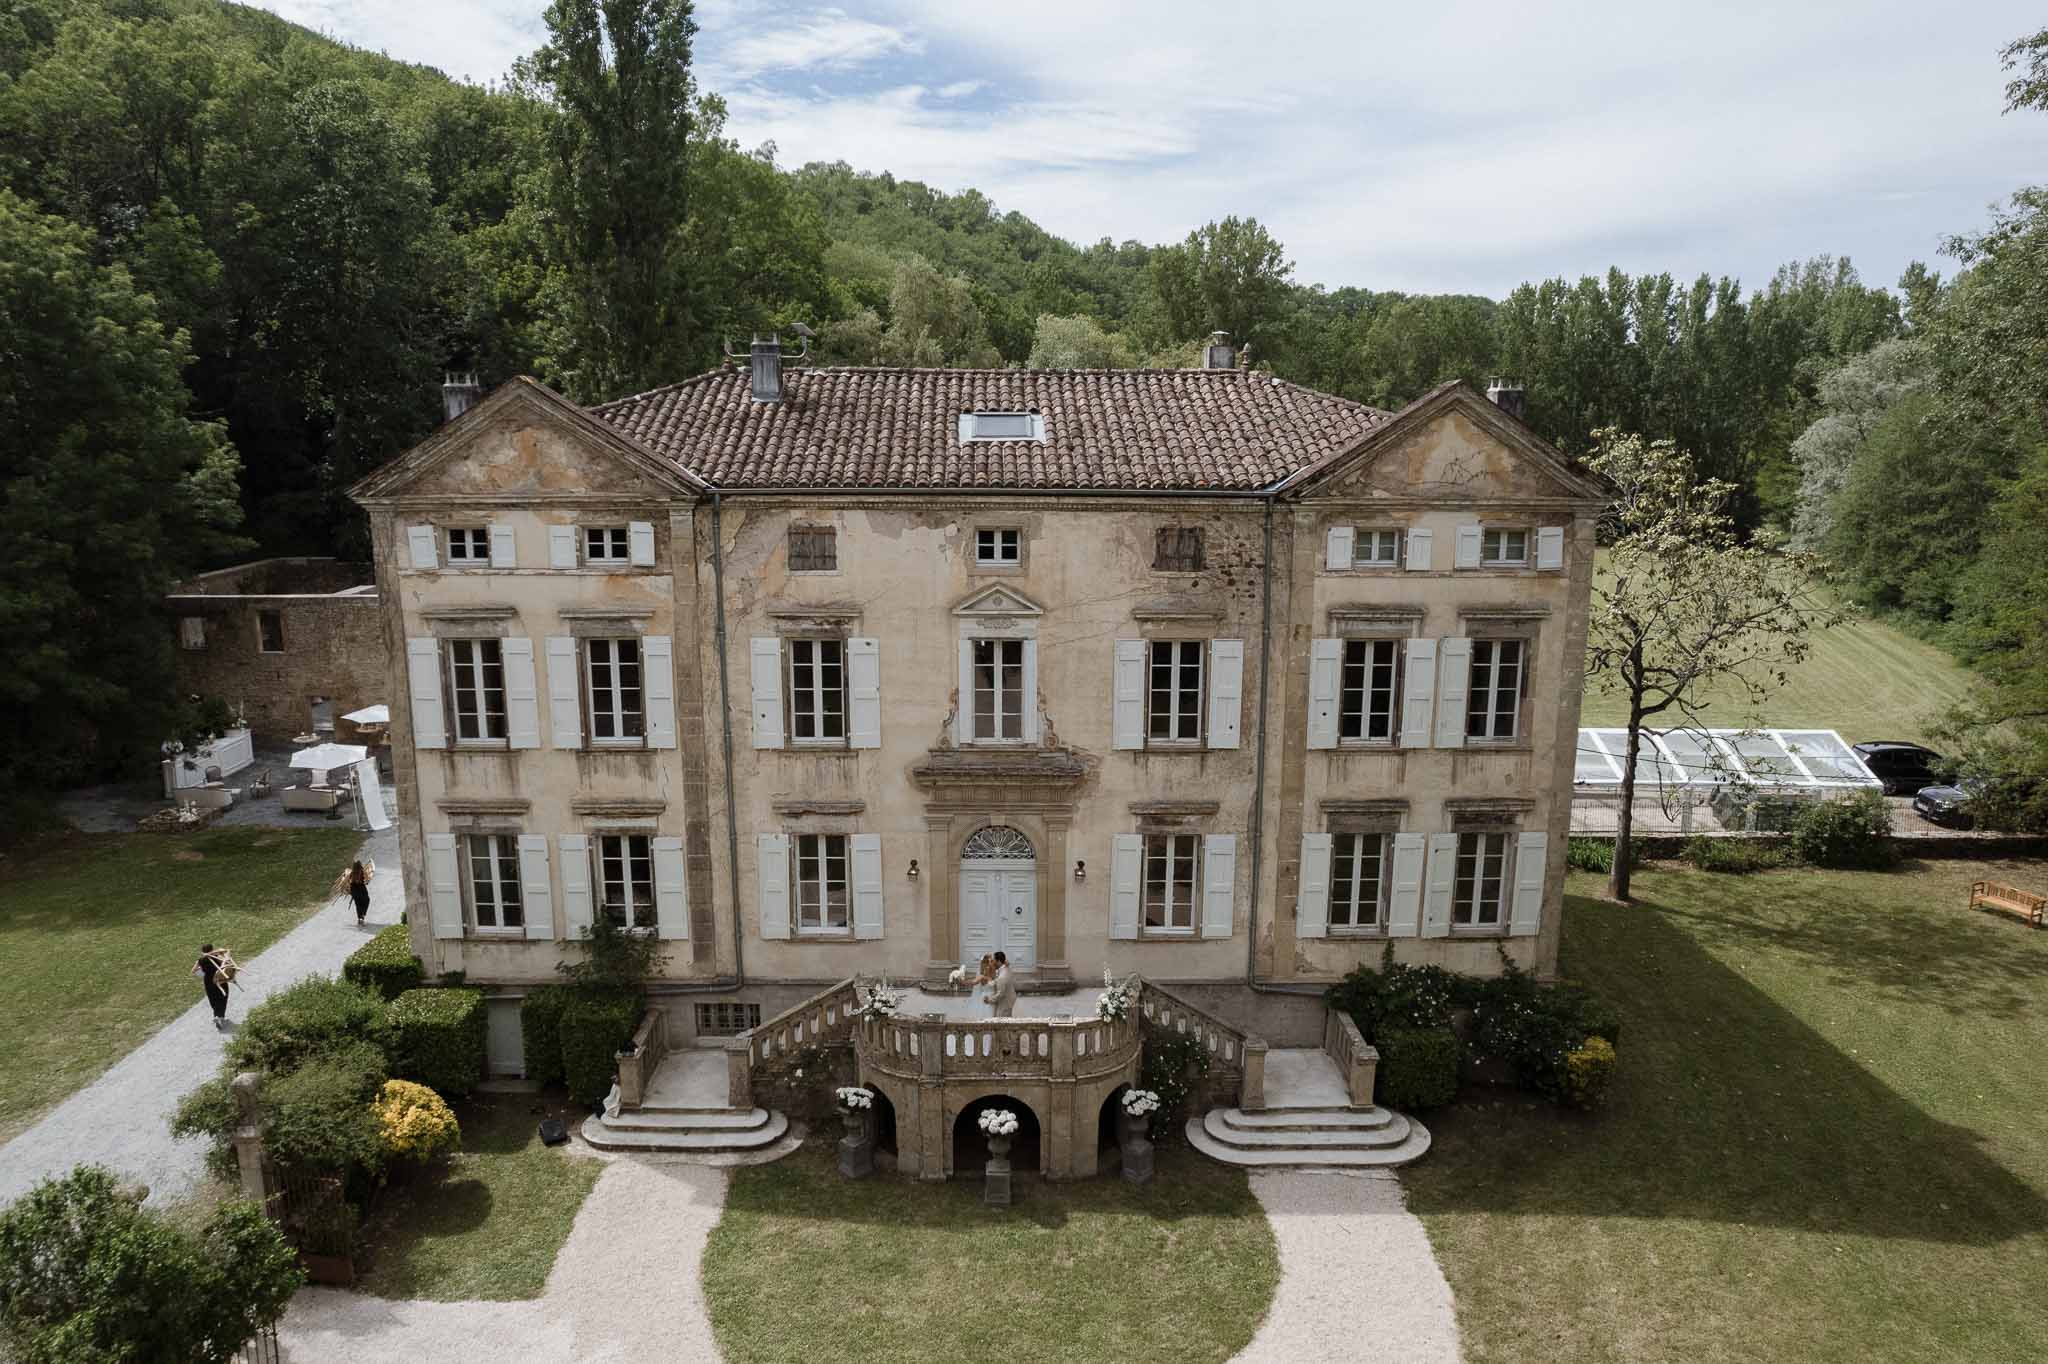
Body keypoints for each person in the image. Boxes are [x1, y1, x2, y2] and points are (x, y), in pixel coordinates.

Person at [193, 944, 231, 1030]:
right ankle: (220, 1017)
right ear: (212, 949)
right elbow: (226, 963)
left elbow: (193, 970)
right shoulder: (217, 957)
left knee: (213, 998)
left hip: (208, 981)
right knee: (222, 997)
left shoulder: (200, 960)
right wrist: (223, 953)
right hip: (219, 979)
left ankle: (216, 1015)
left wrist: (202, 971)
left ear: (203, 951)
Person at [986, 951, 1016, 1019]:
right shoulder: (1006, 968)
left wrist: (989, 1000)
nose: (993, 962)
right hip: (1009, 1000)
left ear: (999, 961)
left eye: (994, 960)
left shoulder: (1002, 976)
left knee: (1001, 1022)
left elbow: (1000, 994)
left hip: (1005, 1003)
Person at [346, 859, 373, 926]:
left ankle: (360, 918)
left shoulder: (351, 872)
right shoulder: (362, 871)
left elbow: (346, 881)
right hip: (361, 887)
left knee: (358, 904)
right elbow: (367, 879)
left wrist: (348, 889)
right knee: (366, 900)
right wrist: (366, 881)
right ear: (360, 865)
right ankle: (362, 915)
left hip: (354, 888)